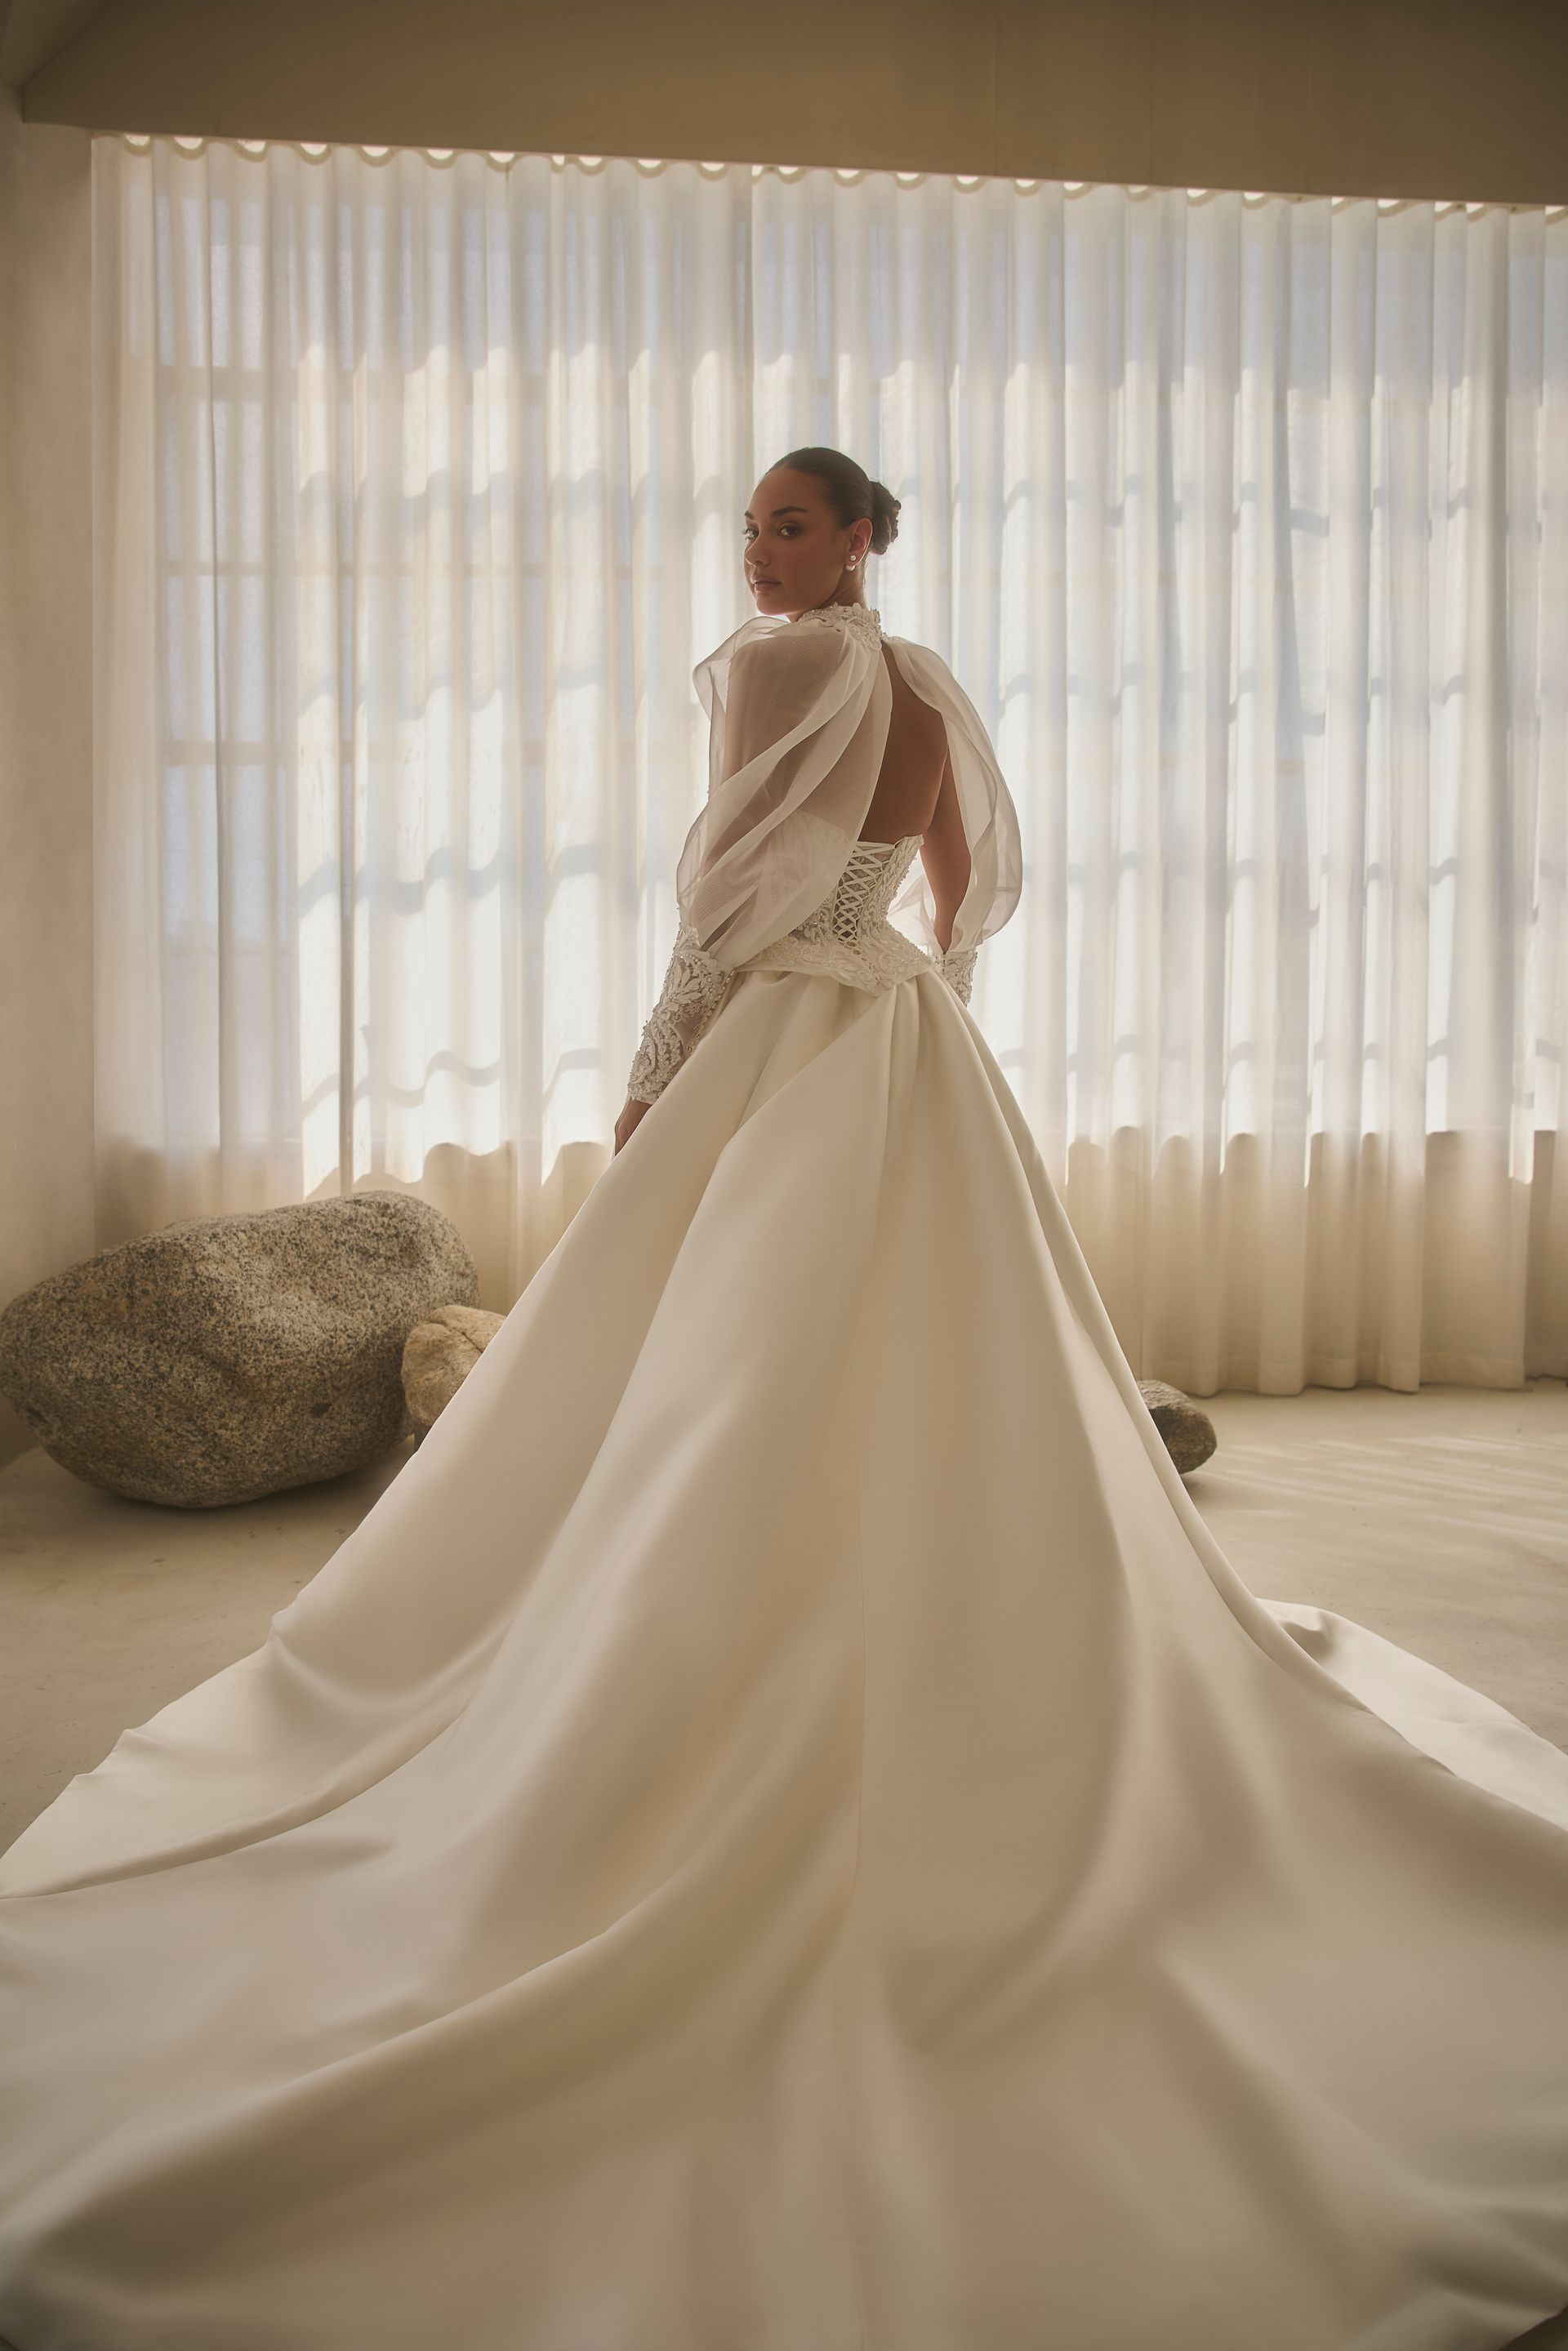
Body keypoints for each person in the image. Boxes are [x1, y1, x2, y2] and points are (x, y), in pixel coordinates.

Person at [0, 447, 1565, 2351]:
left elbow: (721, 901)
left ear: (860, 540)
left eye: (792, 526)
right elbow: (967, 887)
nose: (760, 552)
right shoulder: (923, 681)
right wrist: (904, 975)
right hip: (900, 1039)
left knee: (710, 1371)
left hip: (774, 1043)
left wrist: (658, 1077)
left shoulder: (774, 672)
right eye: (750, 525)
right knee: (930, 1376)